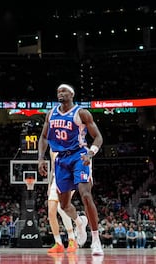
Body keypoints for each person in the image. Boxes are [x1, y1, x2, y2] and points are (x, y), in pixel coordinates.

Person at [38, 83, 104, 256]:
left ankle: (96, 240)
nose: (60, 93)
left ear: (72, 94)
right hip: (60, 160)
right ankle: (79, 222)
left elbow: (98, 137)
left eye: (64, 91)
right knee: (64, 205)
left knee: (86, 195)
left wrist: (90, 153)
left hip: (79, 156)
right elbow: (44, 137)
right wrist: (40, 158)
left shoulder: (81, 113)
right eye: (58, 90)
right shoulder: (51, 114)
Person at [46, 149, 79, 254]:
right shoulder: (52, 147)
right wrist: (49, 184)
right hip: (56, 179)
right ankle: (58, 243)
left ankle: (72, 239)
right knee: (51, 212)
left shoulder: (70, 141)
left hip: (70, 178)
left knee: (62, 207)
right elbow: (52, 168)